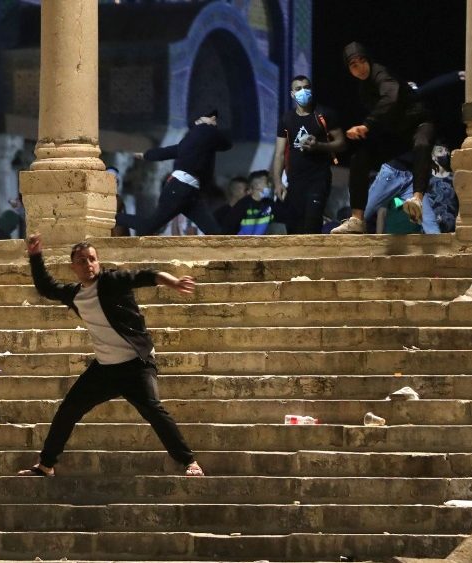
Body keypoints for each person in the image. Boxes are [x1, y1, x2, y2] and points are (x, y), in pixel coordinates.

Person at [17, 234, 204, 478]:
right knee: (68, 410)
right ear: (73, 267)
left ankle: (189, 461)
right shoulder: (75, 294)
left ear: (99, 261)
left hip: (136, 364)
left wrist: (175, 283)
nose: (88, 265)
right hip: (105, 369)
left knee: (153, 409)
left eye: (92, 259)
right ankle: (46, 465)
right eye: (82, 261)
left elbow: (147, 276)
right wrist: (35, 255)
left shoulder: (113, 281)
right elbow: (46, 287)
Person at [332, 42, 435, 234]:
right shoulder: (364, 89)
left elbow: (391, 98)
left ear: (368, 61)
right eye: (353, 65)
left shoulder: (382, 74)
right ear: (349, 70)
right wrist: (368, 134)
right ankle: (357, 219)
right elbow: (384, 118)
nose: (359, 68)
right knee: (359, 157)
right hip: (397, 134)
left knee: (422, 144)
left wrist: (367, 124)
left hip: (419, 125)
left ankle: (417, 200)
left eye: (362, 62)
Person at [115, 110, 231, 235]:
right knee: (148, 226)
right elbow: (226, 143)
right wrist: (206, 124)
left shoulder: (193, 143)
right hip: (180, 188)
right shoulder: (202, 131)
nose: (214, 122)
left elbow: (171, 151)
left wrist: (147, 155)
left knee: (214, 232)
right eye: (211, 119)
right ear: (199, 121)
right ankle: (112, 218)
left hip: (190, 191)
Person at [272, 75, 347, 234]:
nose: (303, 91)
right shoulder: (286, 119)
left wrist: (319, 145)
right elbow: (279, 153)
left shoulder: (324, 115)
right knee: (293, 228)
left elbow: (341, 143)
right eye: (298, 89)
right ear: (292, 94)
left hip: (318, 179)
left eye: (306, 87)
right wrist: (278, 182)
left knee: (311, 226)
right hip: (295, 182)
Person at [220, 171, 278, 235]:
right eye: (267, 182)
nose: (270, 185)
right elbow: (228, 229)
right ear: (257, 186)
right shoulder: (242, 206)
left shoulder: (270, 204)